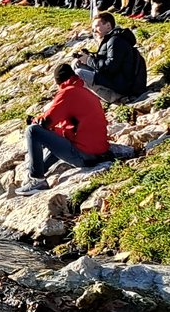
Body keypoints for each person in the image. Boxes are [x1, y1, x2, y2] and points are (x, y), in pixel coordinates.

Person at [15, 63, 110, 196]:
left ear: (58, 81)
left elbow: (46, 122)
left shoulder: (67, 93)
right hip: (99, 151)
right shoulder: (86, 92)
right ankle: (38, 172)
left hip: (84, 155)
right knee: (57, 137)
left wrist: (34, 121)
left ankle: (37, 180)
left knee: (33, 131)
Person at [72, 12, 147, 103]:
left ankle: (113, 97)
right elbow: (106, 61)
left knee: (79, 73)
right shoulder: (110, 39)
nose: (94, 31)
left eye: (97, 26)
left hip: (121, 87)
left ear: (108, 26)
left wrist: (88, 60)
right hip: (114, 80)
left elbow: (111, 67)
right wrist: (88, 56)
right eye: (93, 28)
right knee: (76, 64)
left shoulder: (116, 40)